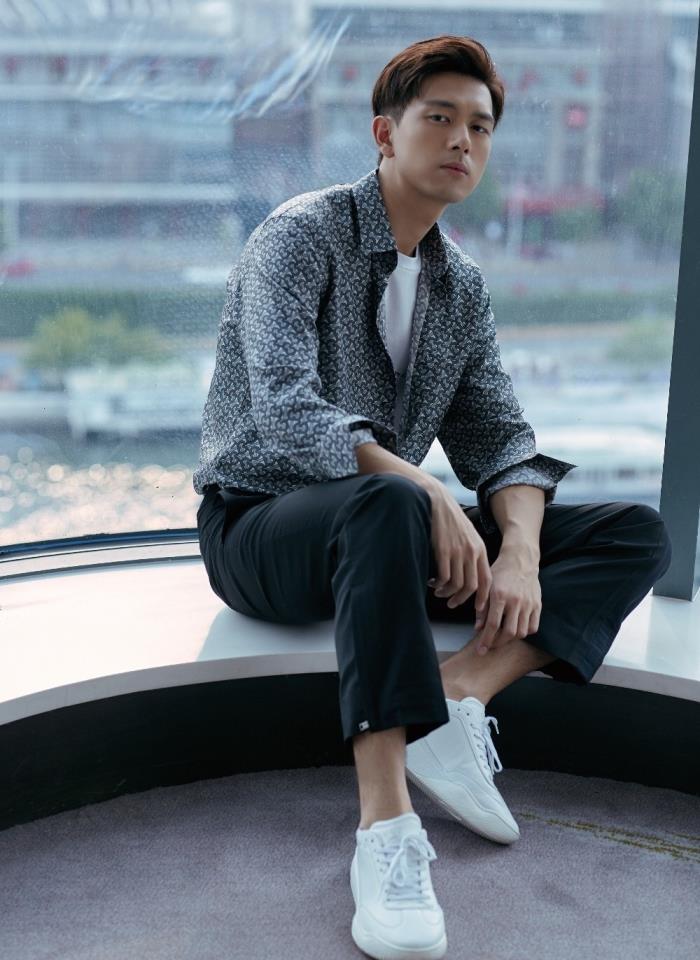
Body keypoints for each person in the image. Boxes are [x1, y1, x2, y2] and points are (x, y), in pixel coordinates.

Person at [193, 34, 672, 960]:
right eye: (441, 118)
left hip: (386, 534)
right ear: (385, 133)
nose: (463, 141)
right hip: (259, 528)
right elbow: (286, 411)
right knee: (390, 504)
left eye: (480, 127)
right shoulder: (301, 234)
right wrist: (425, 490)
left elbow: (501, 436)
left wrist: (520, 552)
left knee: (632, 533)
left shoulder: (460, 285)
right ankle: (386, 832)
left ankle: (457, 698)